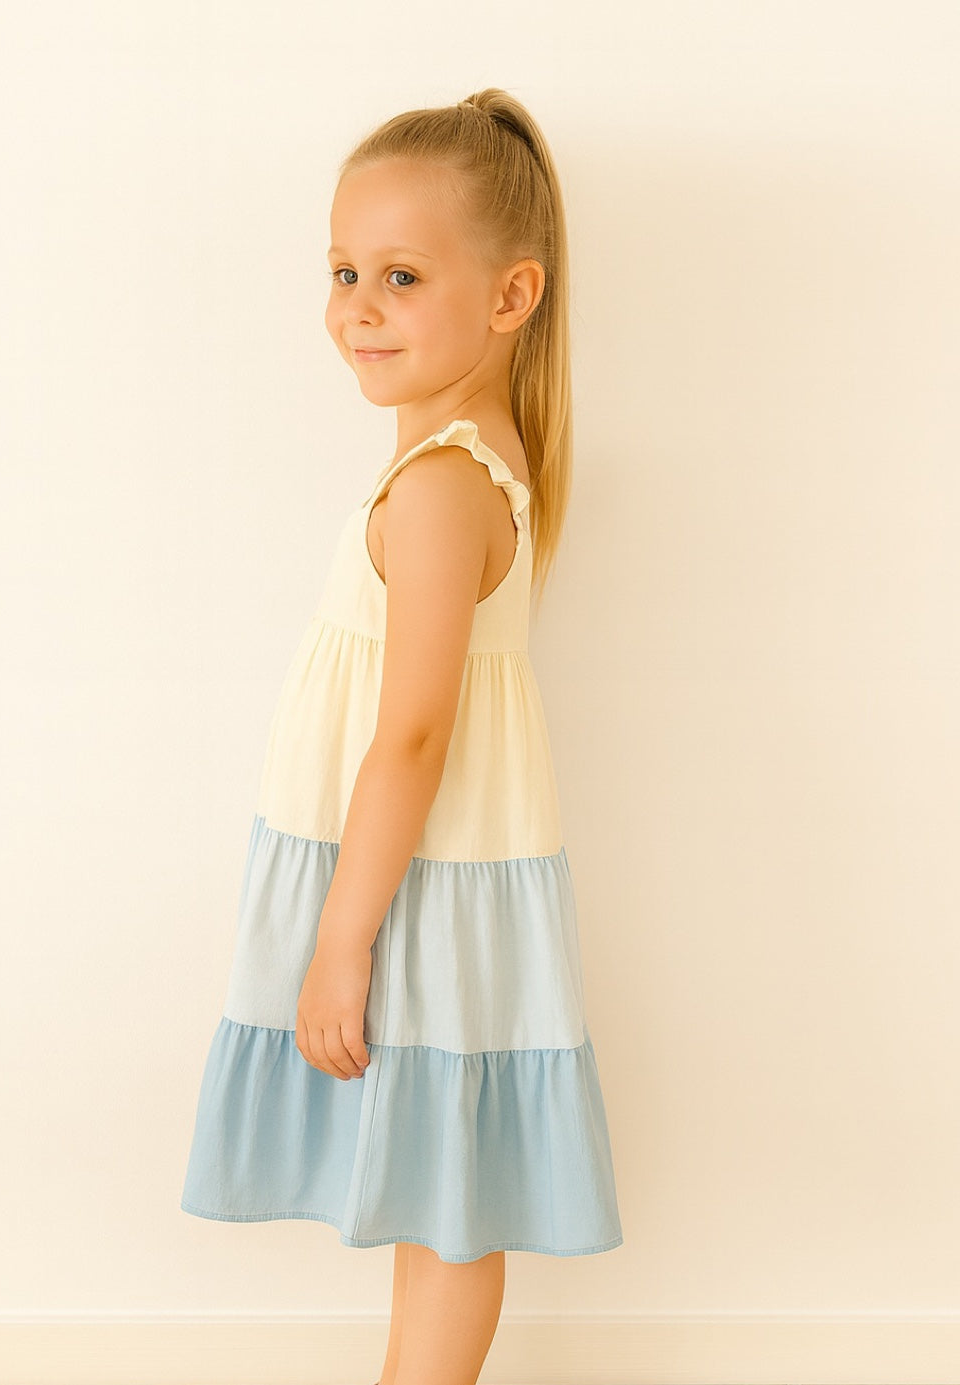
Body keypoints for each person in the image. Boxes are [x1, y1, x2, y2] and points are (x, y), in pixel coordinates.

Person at [180, 87, 623, 1385]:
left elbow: (413, 732)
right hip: (435, 872)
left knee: (445, 1191)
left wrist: (340, 937)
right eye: (343, 270)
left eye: (402, 275)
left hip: (412, 882)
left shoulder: (439, 486)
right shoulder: (472, 454)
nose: (357, 305)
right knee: (442, 1174)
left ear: (511, 296)